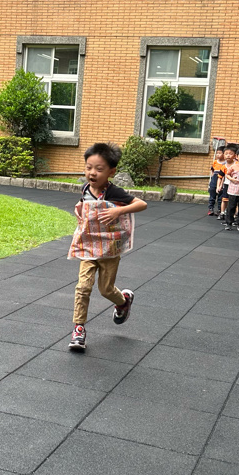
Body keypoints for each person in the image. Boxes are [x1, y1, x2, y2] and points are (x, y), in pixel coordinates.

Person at [68, 142, 147, 352]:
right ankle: (78, 329)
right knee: (83, 287)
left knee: (106, 289)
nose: (92, 173)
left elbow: (142, 204)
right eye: (88, 167)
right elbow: (84, 204)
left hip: (110, 250)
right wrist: (79, 207)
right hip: (89, 246)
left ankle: (123, 301)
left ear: (111, 172)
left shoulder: (114, 192)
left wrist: (118, 211)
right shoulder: (86, 189)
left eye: (99, 169)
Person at [216, 144, 237, 221]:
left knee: (234, 201)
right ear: (224, 155)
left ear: (235, 156)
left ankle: (234, 215)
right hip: (226, 184)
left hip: (235, 185)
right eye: (226, 154)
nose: (228, 155)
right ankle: (222, 213)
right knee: (224, 199)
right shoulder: (223, 166)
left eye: (230, 154)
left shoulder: (237, 165)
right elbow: (220, 177)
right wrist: (218, 186)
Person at [207, 148, 227, 216]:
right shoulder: (215, 162)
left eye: (220, 153)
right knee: (212, 195)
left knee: (220, 196)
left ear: (224, 154)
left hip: (221, 180)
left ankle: (219, 209)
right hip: (214, 179)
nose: (218, 154)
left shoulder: (225, 163)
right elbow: (212, 170)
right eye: (217, 153)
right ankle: (210, 208)